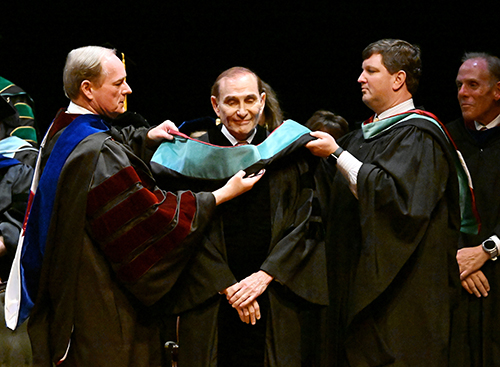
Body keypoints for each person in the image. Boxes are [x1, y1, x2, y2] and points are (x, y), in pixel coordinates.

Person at [4, 46, 263, 367]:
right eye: (118, 83)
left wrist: (148, 136)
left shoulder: (63, 129)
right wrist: (222, 194)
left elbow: (111, 138)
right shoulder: (98, 152)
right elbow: (152, 217)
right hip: (98, 298)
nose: (128, 90)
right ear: (88, 89)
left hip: (66, 286)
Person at [306, 39, 471, 366]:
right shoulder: (359, 136)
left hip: (403, 299)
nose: (360, 78)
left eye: (371, 70)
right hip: (355, 292)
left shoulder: (420, 136)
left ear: (398, 79)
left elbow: (399, 203)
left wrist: (338, 155)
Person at [157, 66, 327, 367]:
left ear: (262, 101)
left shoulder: (288, 152)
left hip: (274, 295)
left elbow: (306, 222)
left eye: (250, 100)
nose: (242, 111)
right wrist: (227, 285)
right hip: (210, 299)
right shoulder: (189, 157)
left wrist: (264, 277)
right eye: (232, 102)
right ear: (215, 105)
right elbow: (182, 224)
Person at [447, 52, 500, 366]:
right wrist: (460, 256)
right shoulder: (446, 138)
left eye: (472, 85)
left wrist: (486, 249)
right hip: (455, 276)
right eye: (459, 86)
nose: (462, 93)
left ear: (497, 90)